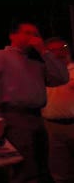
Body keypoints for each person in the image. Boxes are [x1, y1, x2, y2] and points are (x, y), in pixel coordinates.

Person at [0, 20, 68, 182]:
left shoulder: (37, 64)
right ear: (12, 35)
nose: (33, 37)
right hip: (13, 119)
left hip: (37, 119)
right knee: (23, 169)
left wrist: (44, 51)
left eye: (35, 34)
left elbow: (62, 78)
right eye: (27, 33)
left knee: (42, 167)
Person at [43, 37, 74, 183]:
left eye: (62, 48)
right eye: (52, 50)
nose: (58, 53)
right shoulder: (42, 75)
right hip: (52, 128)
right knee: (60, 172)